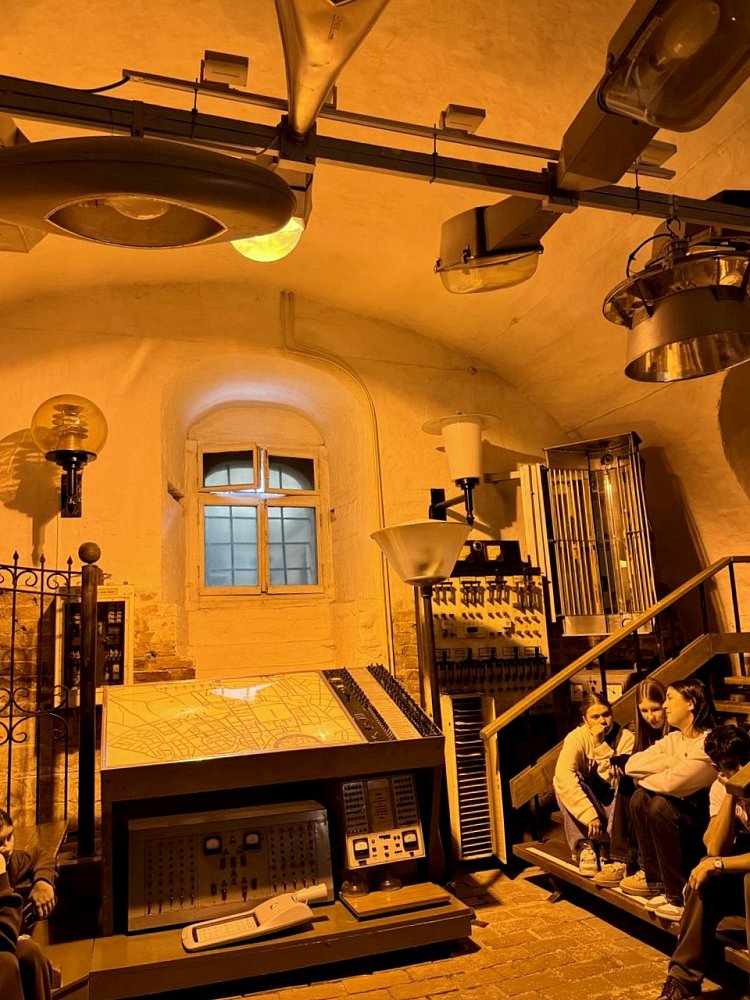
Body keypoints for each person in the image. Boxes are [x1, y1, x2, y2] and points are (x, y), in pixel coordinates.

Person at [656, 724, 750, 1000]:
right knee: (705, 878)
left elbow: (717, 859)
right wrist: (732, 791)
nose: (741, 770)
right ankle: (682, 979)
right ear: (719, 770)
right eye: (731, 766)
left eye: (745, 762)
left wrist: (717, 864)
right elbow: (714, 847)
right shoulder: (722, 788)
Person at [620, 678, 717, 920]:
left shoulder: (709, 742)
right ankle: (658, 885)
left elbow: (672, 784)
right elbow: (632, 765)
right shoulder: (674, 740)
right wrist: (673, 762)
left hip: (704, 822)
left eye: (670, 699)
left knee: (659, 805)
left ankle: (678, 896)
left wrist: (650, 776)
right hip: (677, 816)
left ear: (691, 703)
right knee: (640, 798)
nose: (664, 706)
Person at [594, 677, 669, 887]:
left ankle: (635, 862)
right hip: (648, 785)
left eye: (655, 709)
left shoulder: (673, 732)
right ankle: (622, 859)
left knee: (636, 792)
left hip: (669, 788)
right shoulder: (643, 734)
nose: (650, 717)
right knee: (627, 785)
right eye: (644, 711)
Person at [553, 691, 635, 874]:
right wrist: (589, 814)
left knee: (623, 782)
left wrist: (599, 745)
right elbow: (563, 775)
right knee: (563, 782)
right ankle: (585, 846)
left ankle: (609, 845)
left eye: (606, 714)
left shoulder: (626, 738)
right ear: (584, 719)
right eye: (595, 717)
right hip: (589, 800)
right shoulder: (576, 738)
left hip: (614, 802)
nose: (602, 721)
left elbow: (610, 776)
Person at [0, 808, 56, 1000]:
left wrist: (43, 882)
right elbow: (4, 940)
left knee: (30, 954)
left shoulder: (10, 861)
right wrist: (1, 879)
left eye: (9, 837)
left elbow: (41, 856)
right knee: (6, 963)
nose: (7, 847)